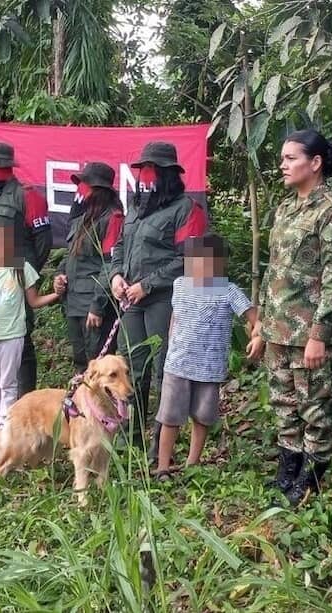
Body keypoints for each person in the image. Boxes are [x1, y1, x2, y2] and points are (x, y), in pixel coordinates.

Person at [262, 129, 332, 506]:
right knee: (284, 404)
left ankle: (312, 479)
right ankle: (289, 468)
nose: (282, 165)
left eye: (290, 158)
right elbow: (275, 271)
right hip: (279, 330)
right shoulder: (286, 208)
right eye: (282, 158)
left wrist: (319, 333)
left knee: (315, 408)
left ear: (314, 163)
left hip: (309, 335)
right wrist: (262, 325)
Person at [109, 141, 208, 460]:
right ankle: (128, 436)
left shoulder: (186, 210)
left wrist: (148, 285)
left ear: (167, 176)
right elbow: (119, 246)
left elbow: (190, 259)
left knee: (165, 372)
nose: (144, 178)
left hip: (165, 301)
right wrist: (116, 276)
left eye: (151, 172)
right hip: (130, 301)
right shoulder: (135, 207)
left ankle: (159, 448)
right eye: (142, 172)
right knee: (129, 369)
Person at [153, 234, 263, 479]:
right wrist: (171, 345)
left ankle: (193, 464)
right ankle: (162, 468)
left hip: (210, 367)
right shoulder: (180, 284)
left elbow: (254, 318)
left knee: (202, 417)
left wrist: (257, 337)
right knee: (170, 417)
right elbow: (175, 315)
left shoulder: (228, 290)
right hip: (178, 363)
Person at [0, 142, 52, 397]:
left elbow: (43, 241)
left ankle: (25, 398)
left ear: (4, 168)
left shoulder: (27, 196)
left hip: (16, 281)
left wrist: (24, 276)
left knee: (21, 339)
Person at [0, 221, 61, 430]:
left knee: (8, 383)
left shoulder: (22, 268)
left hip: (12, 334)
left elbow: (34, 301)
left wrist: (57, 295)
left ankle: (7, 424)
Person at [53, 162, 124, 372]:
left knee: (100, 364)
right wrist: (59, 275)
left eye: (85, 186)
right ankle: (83, 404)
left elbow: (110, 264)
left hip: (93, 303)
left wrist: (98, 306)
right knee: (80, 362)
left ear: (99, 190)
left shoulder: (114, 218)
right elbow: (72, 255)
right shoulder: (81, 219)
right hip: (74, 301)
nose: (80, 191)